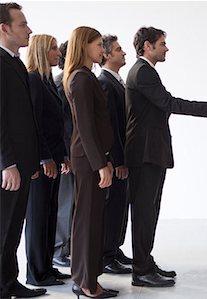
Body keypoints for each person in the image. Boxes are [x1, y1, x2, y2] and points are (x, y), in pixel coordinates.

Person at [125, 26, 207, 288]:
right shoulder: (143, 72)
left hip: (151, 152)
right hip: (145, 153)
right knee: (145, 212)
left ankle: (145, 261)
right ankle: (141, 270)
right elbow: (169, 103)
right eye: (162, 43)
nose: (166, 48)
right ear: (147, 46)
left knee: (151, 210)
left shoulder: (145, 72)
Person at [63, 26, 116, 298]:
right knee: (87, 221)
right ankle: (86, 283)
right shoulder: (81, 78)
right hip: (88, 160)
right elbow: (85, 126)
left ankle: (88, 279)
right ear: (85, 46)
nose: (102, 50)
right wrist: (100, 164)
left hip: (89, 158)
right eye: (98, 45)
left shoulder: (83, 76)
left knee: (91, 220)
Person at [0, 3, 45, 298]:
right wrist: (8, 162)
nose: (29, 30)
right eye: (22, 24)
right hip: (9, 164)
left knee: (15, 226)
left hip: (24, 161)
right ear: (4, 28)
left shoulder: (16, 63)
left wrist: (33, 159)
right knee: (3, 228)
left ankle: (9, 281)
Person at [24, 34, 71, 287]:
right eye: (53, 48)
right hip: (43, 162)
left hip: (54, 158)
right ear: (42, 51)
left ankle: (47, 268)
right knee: (38, 215)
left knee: (50, 214)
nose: (58, 53)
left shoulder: (47, 81)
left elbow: (57, 126)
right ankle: (36, 273)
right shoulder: (33, 79)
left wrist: (61, 156)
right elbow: (35, 124)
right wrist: (45, 158)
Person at [98, 34, 132, 275]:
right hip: (117, 159)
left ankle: (115, 248)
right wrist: (117, 160)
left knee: (121, 206)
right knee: (113, 207)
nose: (124, 53)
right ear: (107, 54)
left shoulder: (118, 81)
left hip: (125, 156)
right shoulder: (105, 83)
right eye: (119, 50)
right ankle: (107, 255)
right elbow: (110, 126)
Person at [53, 40, 74, 268]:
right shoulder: (62, 84)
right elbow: (61, 124)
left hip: (72, 153)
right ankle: (58, 250)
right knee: (65, 202)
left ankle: (65, 248)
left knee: (71, 202)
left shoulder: (68, 82)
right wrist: (64, 156)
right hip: (67, 155)